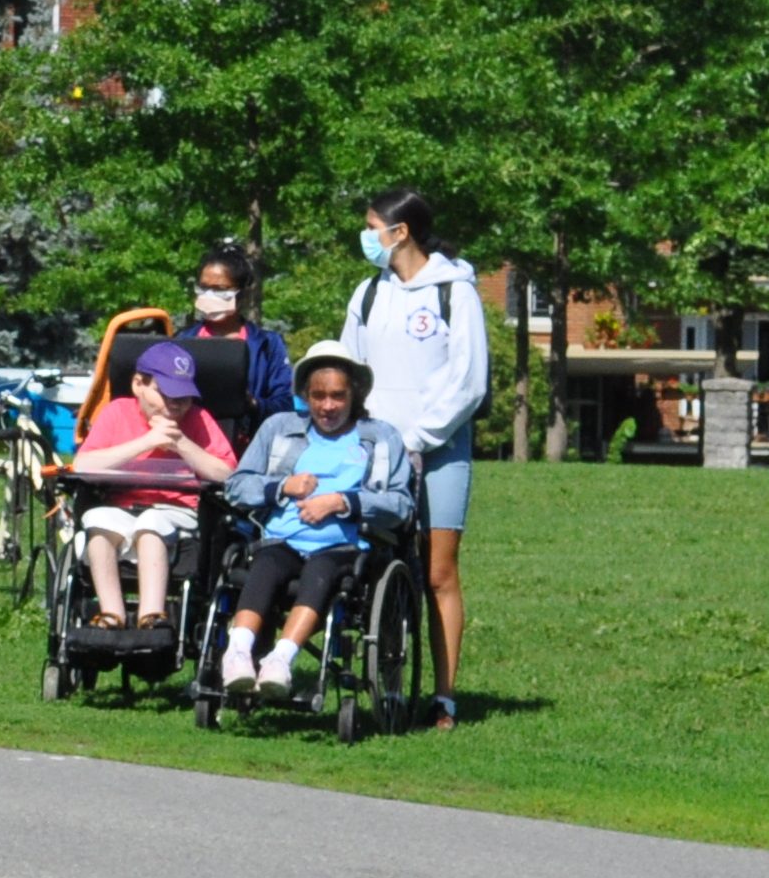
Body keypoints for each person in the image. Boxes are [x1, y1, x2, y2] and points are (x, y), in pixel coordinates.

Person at [337, 185, 486, 728]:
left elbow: (469, 382)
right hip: (374, 451)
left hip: (439, 452)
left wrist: (420, 438)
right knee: (372, 563)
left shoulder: (455, 292)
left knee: (438, 573)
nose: (365, 235)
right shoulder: (368, 294)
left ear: (400, 232)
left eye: (372, 225)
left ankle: (444, 696)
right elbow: (347, 368)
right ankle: (380, 675)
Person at [218, 343, 413, 693]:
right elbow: (236, 486)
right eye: (318, 396)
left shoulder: (381, 437)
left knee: (320, 572)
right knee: (265, 567)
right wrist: (281, 486)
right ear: (305, 396)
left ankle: (280, 659)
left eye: (337, 396)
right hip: (281, 539)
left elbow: (401, 505)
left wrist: (343, 502)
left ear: (354, 393)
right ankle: (237, 654)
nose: (327, 406)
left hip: (343, 546)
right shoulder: (278, 428)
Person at [68, 338, 234, 629]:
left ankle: (152, 613)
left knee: (151, 524)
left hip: (175, 509)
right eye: (164, 393)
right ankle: (111, 613)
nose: (175, 405)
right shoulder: (118, 411)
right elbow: (83, 465)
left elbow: (226, 474)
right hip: (123, 504)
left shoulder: (198, 418)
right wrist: (146, 442)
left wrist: (182, 443)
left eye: (183, 396)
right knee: (98, 522)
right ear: (138, 385)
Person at [188, 240, 297, 427]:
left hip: (248, 447)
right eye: (204, 287)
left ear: (242, 294)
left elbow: (285, 403)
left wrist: (253, 404)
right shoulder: (184, 341)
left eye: (219, 290)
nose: (209, 295)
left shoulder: (268, 345)